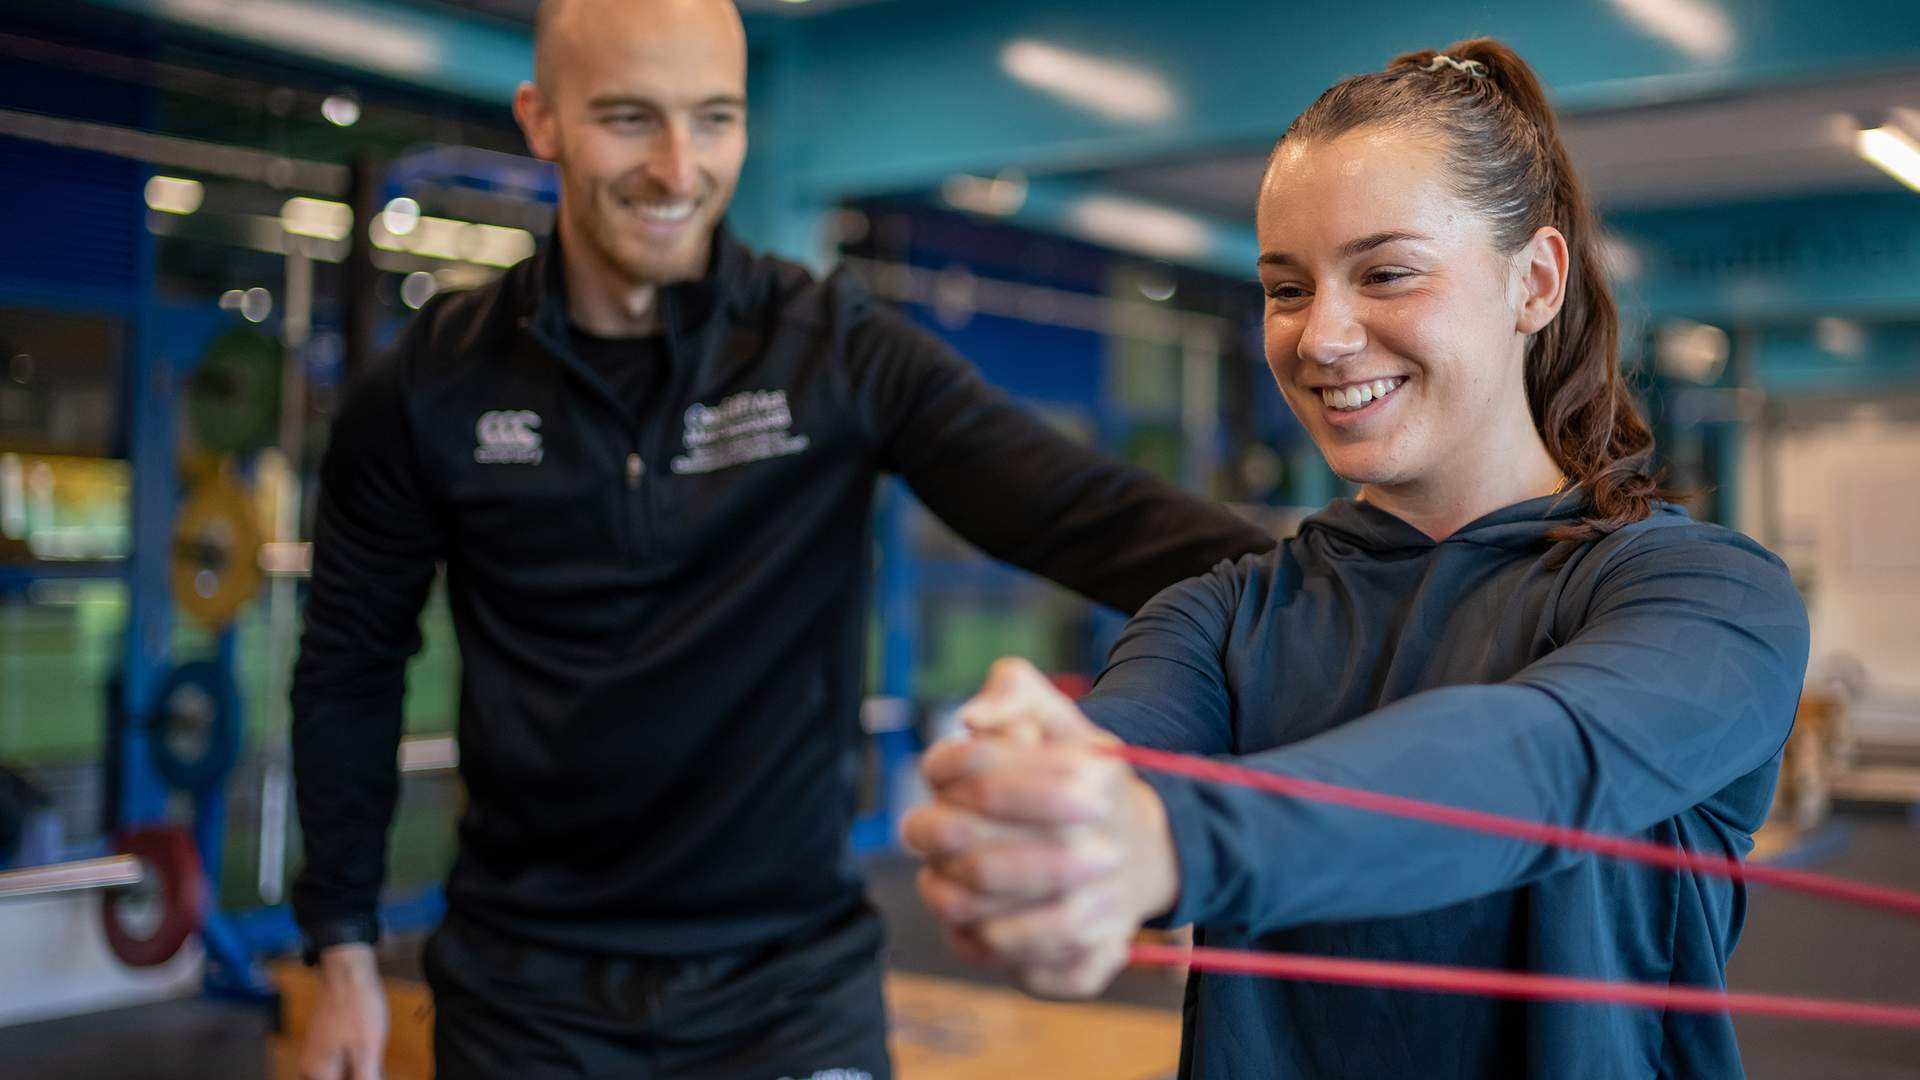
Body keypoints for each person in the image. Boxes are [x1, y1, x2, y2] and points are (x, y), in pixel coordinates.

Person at [287, 0, 1274, 1077]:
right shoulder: (432, 384)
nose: (678, 169)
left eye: (714, 120)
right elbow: (349, 665)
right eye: (630, 119)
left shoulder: (830, 352)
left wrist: (1388, 592)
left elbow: (1092, 518)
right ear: (542, 119)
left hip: (791, 992)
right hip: (529, 996)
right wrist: (338, 940)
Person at [904, 38, 1810, 1079]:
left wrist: (1176, 838)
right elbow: (1121, 766)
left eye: (1386, 273)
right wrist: (1043, 800)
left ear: (1537, 282)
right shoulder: (1217, 617)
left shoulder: (1707, 599)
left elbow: (1540, 756)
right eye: (1287, 290)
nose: (1323, 336)